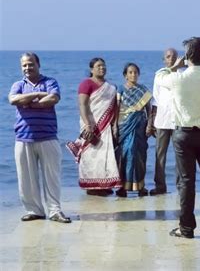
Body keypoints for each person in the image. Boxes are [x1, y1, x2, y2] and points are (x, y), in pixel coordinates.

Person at [155, 37, 200, 239]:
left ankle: (186, 228)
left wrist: (175, 66)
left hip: (183, 133)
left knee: (186, 182)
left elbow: (160, 77)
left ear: (187, 56)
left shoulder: (177, 78)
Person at [9, 52, 71, 223]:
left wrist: (29, 103)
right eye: (24, 65)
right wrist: (36, 96)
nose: (27, 68)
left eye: (30, 64)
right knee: (26, 178)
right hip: (23, 137)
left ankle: (55, 211)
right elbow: (13, 99)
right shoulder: (18, 84)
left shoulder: (50, 82)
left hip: (48, 136)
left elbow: (53, 98)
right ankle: (34, 210)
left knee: (52, 176)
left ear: (38, 64)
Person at [66, 58, 121, 196]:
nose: (102, 68)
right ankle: (91, 186)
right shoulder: (86, 84)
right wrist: (87, 124)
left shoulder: (110, 86)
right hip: (91, 124)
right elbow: (82, 105)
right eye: (98, 66)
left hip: (106, 126)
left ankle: (103, 185)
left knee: (105, 155)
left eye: (103, 65)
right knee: (90, 154)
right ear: (92, 69)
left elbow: (114, 108)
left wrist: (114, 125)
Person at [115, 63, 153, 197]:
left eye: (135, 72)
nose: (133, 75)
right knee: (125, 154)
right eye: (130, 72)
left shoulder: (143, 90)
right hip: (124, 126)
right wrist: (114, 126)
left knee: (140, 155)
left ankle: (141, 186)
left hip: (140, 126)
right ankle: (122, 187)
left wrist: (149, 125)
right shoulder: (120, 89)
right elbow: (116, 109)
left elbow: (149, 109)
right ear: (125, 75)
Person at [149, 48, 179, 195]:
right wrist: (151, 121)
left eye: (173, 56)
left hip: (179, 121)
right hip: (162, 121)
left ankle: (181, 186)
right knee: (160, 155)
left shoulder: (182, 75)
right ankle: (160, 186)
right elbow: (155, 99)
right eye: (168, 57)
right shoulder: (159, 75)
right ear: (164, 59)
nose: (171, 59)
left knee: (180, 156)